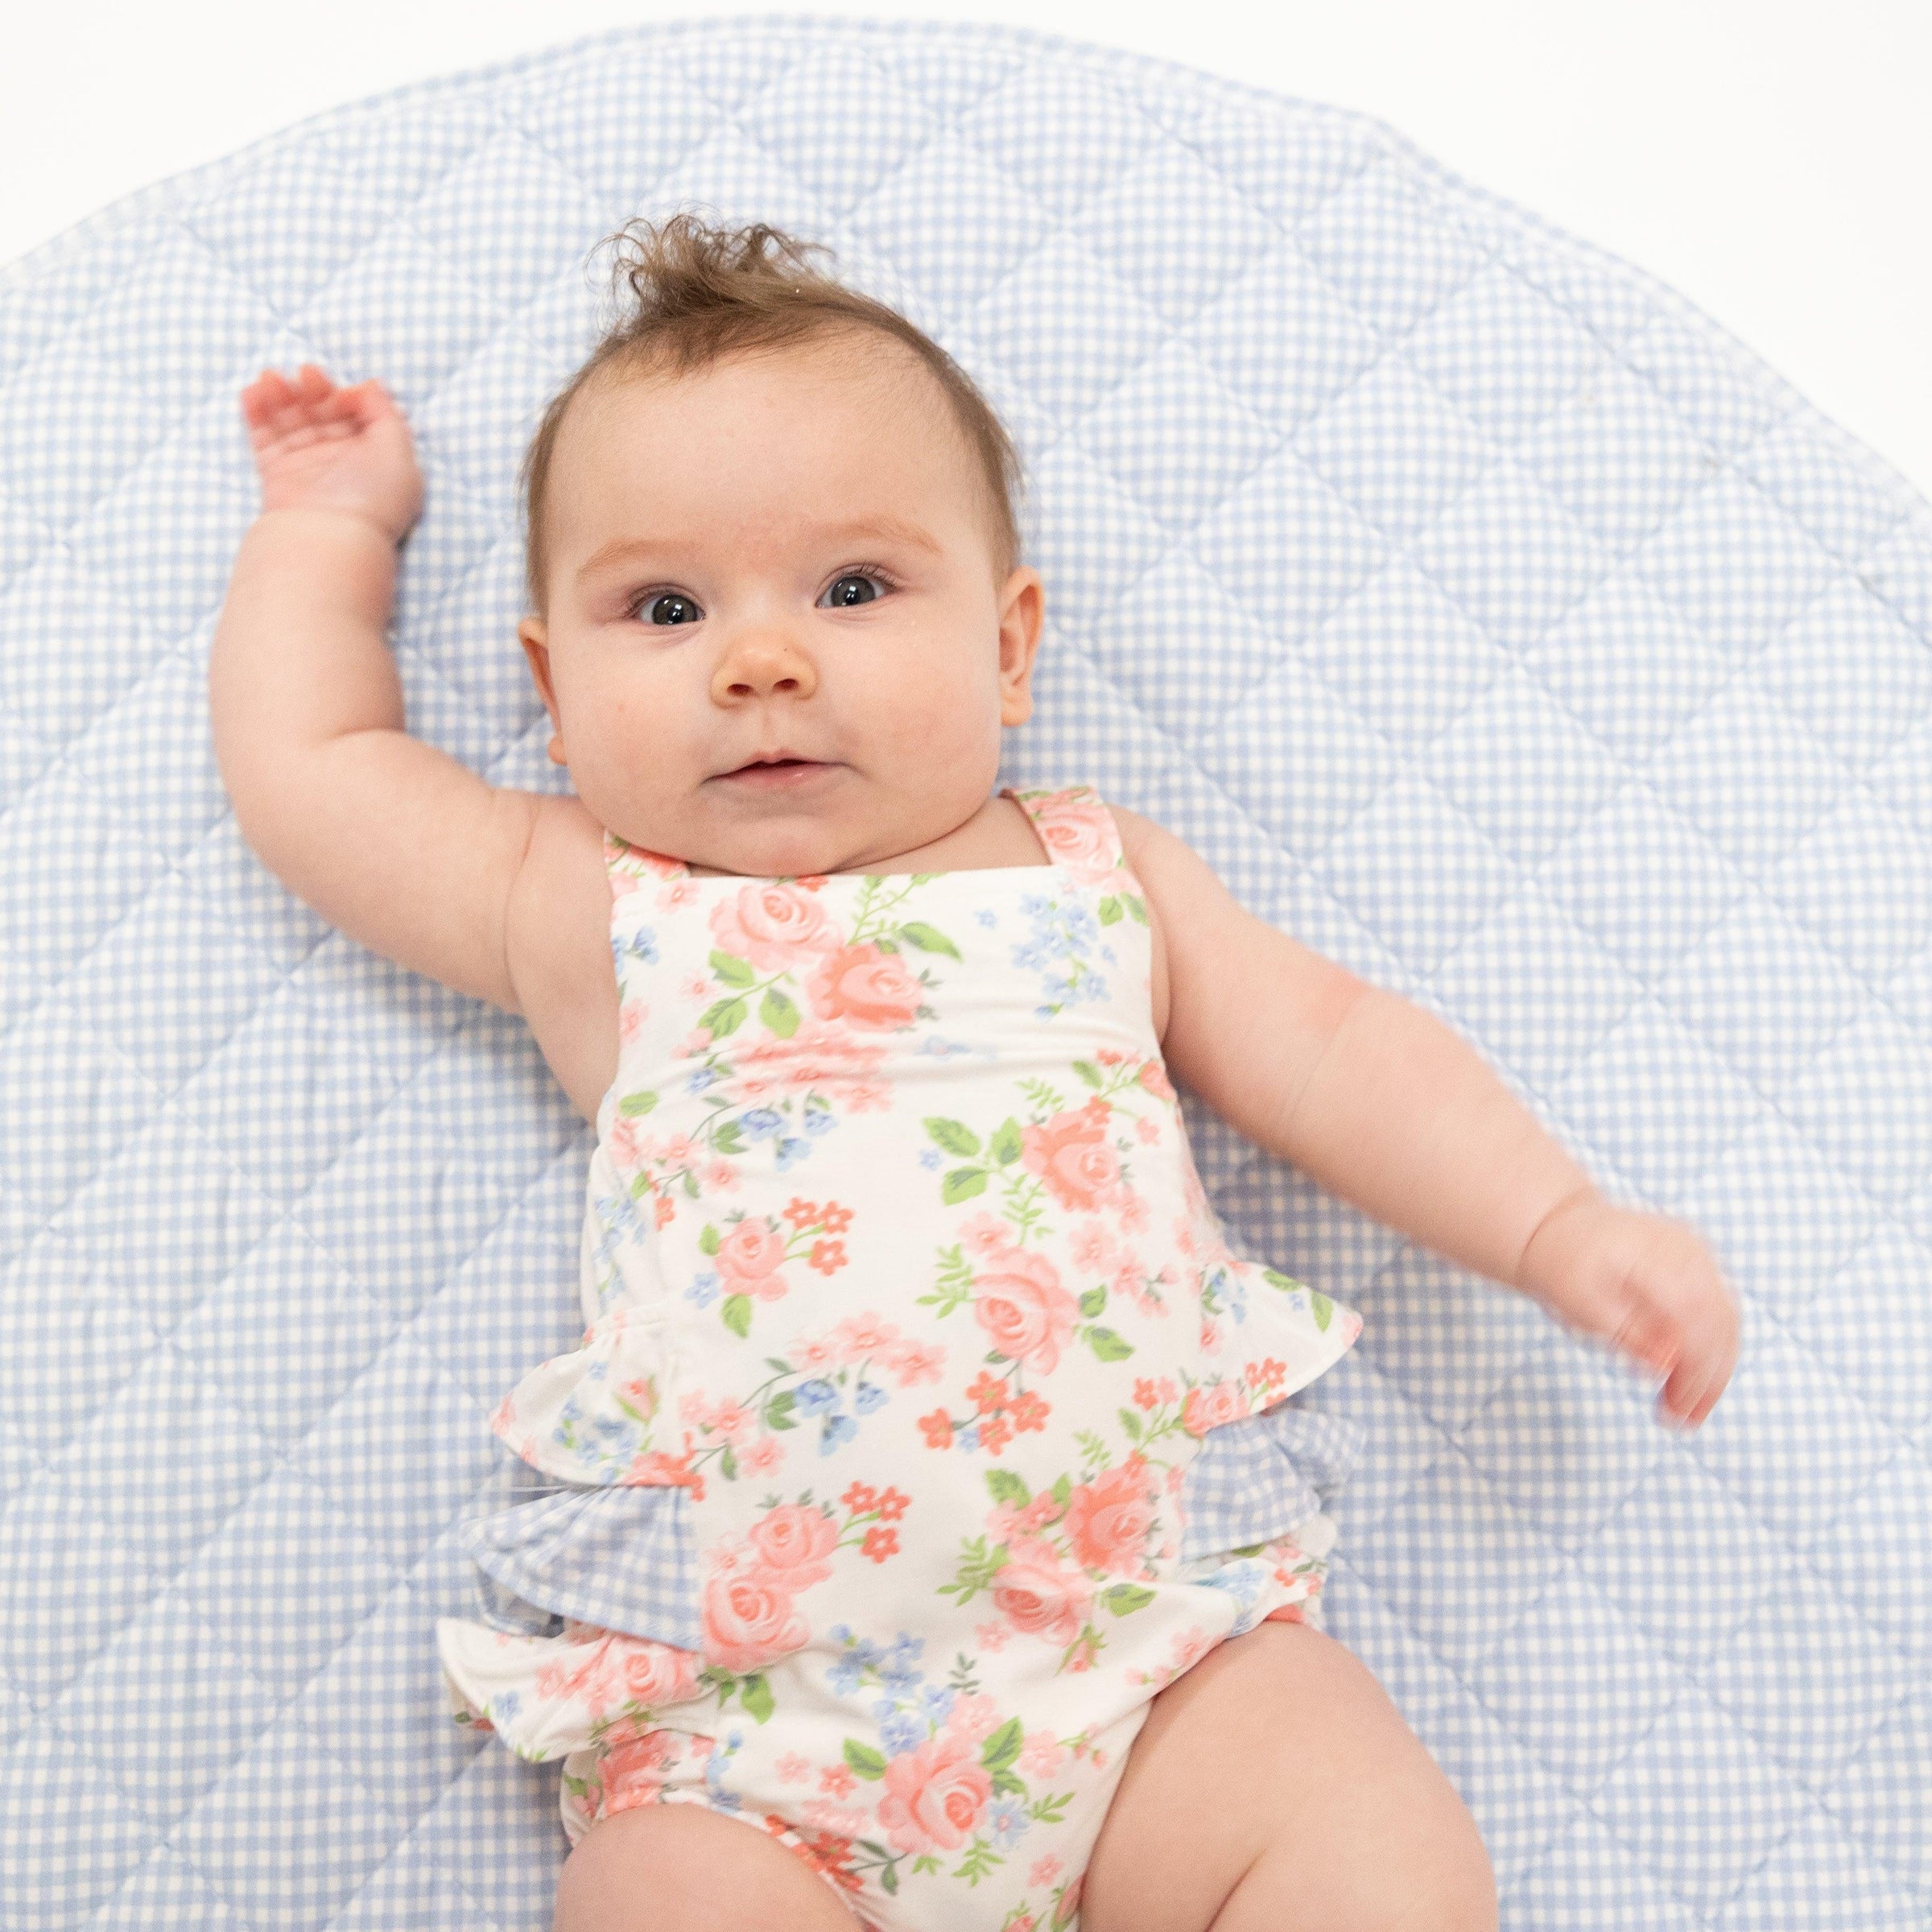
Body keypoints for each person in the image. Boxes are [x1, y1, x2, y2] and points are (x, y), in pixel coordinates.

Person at [210, 213, 1737, 1932]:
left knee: (1368, 1843)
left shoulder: (1102, 879)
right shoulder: (585, 904)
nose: (762, 657)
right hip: (753, 1737)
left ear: (1010, 650)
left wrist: (1554, 1225)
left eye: (855, 589)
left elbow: (1336, 1048)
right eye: (666, 606)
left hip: (1147, 1666)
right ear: (555, 696)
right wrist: (328, 533)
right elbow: (315, 764)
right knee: (660, 1902)